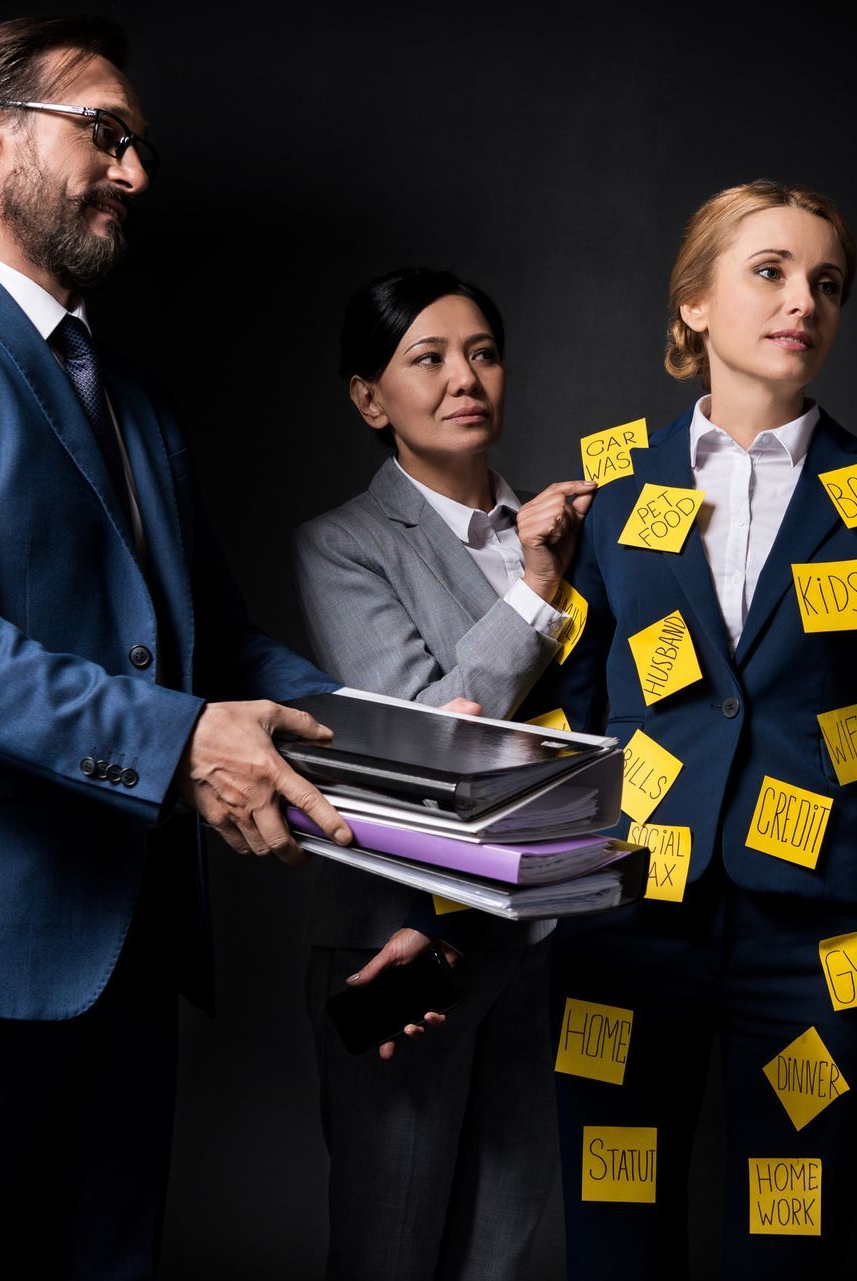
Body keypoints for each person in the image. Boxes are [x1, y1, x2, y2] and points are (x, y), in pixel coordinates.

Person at [0, 17, 360, 1278]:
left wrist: (425, 749)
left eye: (140, 147)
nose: (136, 173)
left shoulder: (136, 402)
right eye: (107, 134)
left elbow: (220, 649)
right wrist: (181, 743)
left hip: (128, 954)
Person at [546, 180, 857, 1277]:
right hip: (626, 931)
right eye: (769, 271)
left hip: (823, 953)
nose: (803, 302)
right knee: (613, 1238)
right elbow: (570, 725)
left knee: (789, 1242)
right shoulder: (611, 479)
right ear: (693, 303)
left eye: (826, 282)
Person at [290, 267, 595, 1280]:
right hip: (398, 943)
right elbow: (421, 739)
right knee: (390, 1245)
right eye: (427, 358)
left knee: (500, 1249)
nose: (465, 377)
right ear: (370, 398)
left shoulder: (574, 526)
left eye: (483, 353)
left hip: (545, 932)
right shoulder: (341, 546)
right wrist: (538, 593)